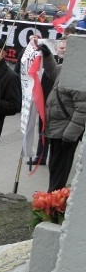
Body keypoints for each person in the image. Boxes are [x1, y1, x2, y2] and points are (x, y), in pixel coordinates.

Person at [39, 39, 85, 191]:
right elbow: (52, 70)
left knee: (59, 171)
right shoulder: (65, 69)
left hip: (65, 133)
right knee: (55, 167)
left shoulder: (79, 76)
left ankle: (53, 205)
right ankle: (50, 202)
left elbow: (82, 109)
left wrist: (69, 135)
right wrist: (46, 55)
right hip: (57, 129)